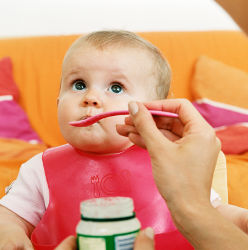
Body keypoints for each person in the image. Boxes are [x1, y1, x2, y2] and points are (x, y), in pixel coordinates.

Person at [1, 30, 220, 249]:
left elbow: (213, 215)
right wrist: (10, 232)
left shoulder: (171, 162)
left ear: (154, 112)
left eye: (116, 87)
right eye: (79, 84)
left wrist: (241, 220)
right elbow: (9, 216)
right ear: (58, 103)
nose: (91, 98)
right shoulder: (39, 169)